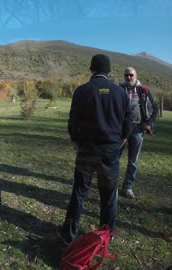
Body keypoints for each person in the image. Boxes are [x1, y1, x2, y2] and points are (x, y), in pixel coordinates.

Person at [57, 54, 131, 245]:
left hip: (87, 150)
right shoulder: (120, 92)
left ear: (92, 69)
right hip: (110, 151)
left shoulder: (82, 91)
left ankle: (69, 234)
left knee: (80, 192)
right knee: (108, 195)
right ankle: (107, 235)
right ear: (108, 70)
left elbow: (73, 121)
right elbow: (128, 124)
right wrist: (120, 142)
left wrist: (75, 141)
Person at [119, 67, 158, 199]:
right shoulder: (119, 88)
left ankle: (127, 187)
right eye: (126, 75)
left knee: (133, 160)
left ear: (136, 76)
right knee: (114, 156)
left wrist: (148, 123)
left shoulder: (144, 90)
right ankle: (110, 183)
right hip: (121, 129)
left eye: (131, 75)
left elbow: (154, 109)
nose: (128, 77)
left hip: (137, 129)